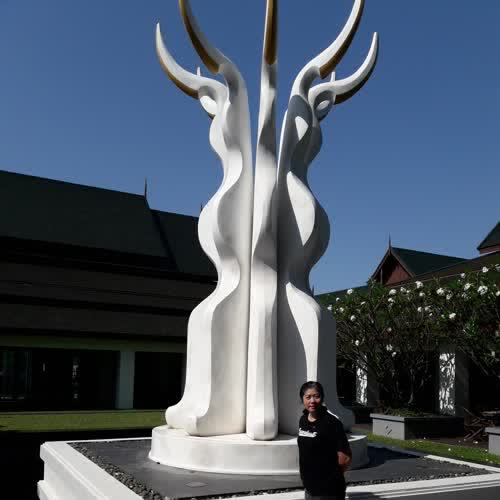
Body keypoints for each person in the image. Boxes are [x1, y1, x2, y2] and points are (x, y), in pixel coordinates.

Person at [297, 381, 352, 500]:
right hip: (309, 487)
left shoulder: (332, 423)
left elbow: (345, 458)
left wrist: (329, 478)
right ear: (302, 399)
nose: (312, 401)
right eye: (308, 397)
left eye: (316, 396)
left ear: (322, 398)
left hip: (328, 490)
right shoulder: (303, 420)